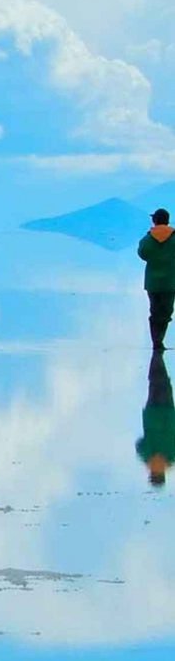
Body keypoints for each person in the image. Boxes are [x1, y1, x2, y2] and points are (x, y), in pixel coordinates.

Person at [138, 208, 175, 351]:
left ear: (155, 221)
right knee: (166, 312)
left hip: (152, 283)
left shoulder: (147, 239)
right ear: (167, 220)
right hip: (170, 282)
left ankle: (156, 341)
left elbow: (142, 254)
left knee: (154, 311)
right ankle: (160, 340)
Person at [138, 351, 175, 487]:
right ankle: (157, 356)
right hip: (153, 415)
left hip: (167, 414)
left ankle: (157, 356)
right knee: (155, 384)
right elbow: (139, 444)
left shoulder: (171, 458)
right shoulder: (148, 457)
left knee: (163, 384)